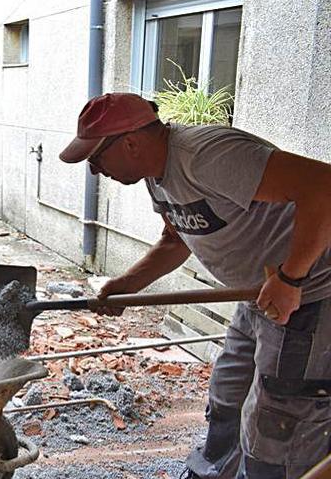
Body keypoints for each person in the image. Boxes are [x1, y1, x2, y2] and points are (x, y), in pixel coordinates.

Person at [59, 92, 331, 478]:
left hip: (312, 293)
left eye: (96, 159)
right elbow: (175, 240)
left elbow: (323, 185)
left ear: (132, 142)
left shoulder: (207, 157)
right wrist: (126, 284)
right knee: (227, 397)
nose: (95, 171)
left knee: (278, 421)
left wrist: (291, 277)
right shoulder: (158, 176)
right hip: (257, 297)